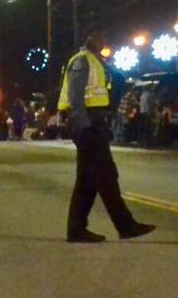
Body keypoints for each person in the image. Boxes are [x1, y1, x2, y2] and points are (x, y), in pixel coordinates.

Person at [59, 29, 155, 243]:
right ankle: (125, 225)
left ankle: (76, 229)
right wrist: (83, 126)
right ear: (90, 38)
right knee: (106, 175)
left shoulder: (97, 61)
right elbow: (75, 96)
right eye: (100, 38)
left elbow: (114, 84)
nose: (104, 41)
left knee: (87, 180)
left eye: (105, 38)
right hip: (88, 125)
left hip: (95, 124)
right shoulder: (82, 60)